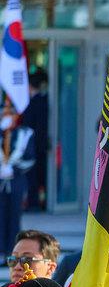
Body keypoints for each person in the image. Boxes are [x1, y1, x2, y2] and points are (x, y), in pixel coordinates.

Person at [0, 98, 34, 246]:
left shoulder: (26, 133)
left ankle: (12, 251)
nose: (7, 116)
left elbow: (30, 159)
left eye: (11, 113)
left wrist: (13, 169)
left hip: (16, 180)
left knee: (14, 216)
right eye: (4, 113)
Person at [21, 70, 47, 212]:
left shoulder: (32, 103)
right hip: (41, 145)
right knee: (40, 176)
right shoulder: (44, 100)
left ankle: (34, 203)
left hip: (34, 145)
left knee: (33, 176)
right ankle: (39, 202)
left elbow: (29, 125)